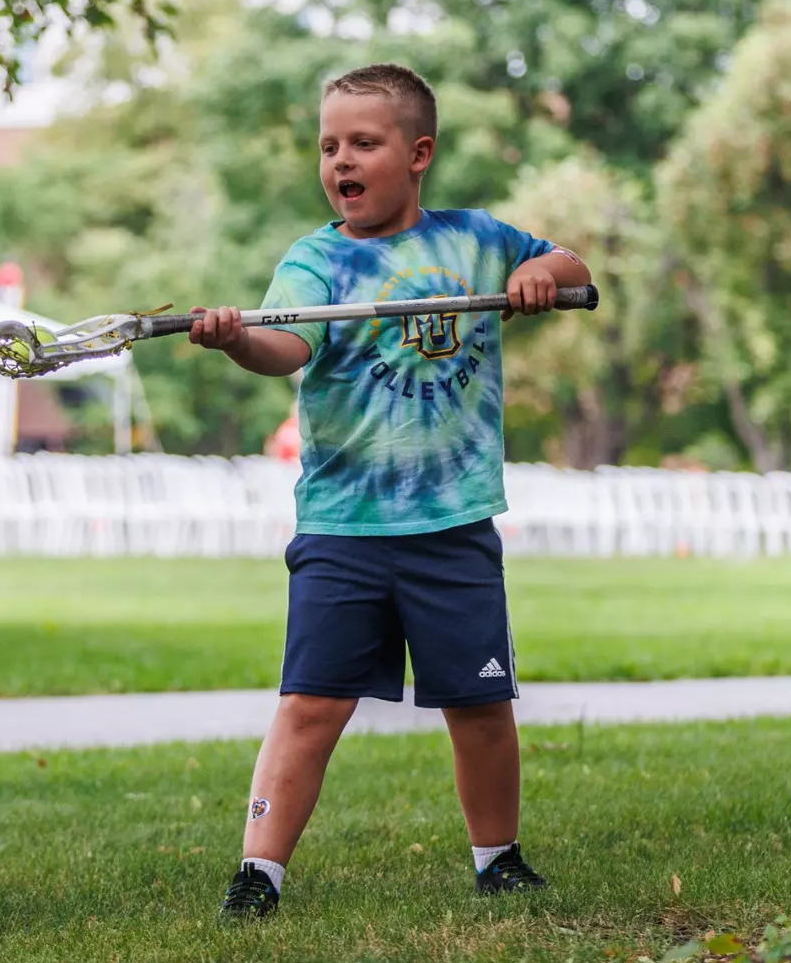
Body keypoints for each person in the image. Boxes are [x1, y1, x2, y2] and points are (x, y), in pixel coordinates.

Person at [189, 63, 591, 919]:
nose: (341, 159)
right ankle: (258, 874)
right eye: (328, 145)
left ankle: (499, 859)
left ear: (418, 154)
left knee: (481, 706)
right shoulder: (316, 260)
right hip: (345, 528)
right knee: (311, 704)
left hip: (454, 527)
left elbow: (570, 261)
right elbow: (283, 348)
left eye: (362, 143)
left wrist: (541, 276)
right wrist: (236, 341)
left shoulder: (475, 240)